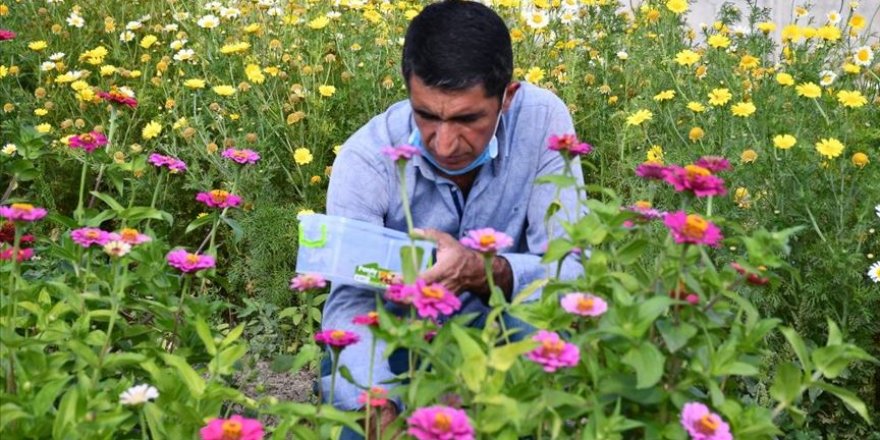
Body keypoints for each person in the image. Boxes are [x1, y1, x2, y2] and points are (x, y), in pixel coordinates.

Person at [320, 1, 585, 437]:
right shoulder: (366, 160)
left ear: (508, 97)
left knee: (552, 345)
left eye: (467, 119)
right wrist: (382, 409)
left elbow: (570, 269)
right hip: (404, 344)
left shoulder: (541, 121)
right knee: (352, 387)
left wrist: (483, 271)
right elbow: (350, 304)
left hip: (508, 336)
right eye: (426, 115)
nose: (444, 144)